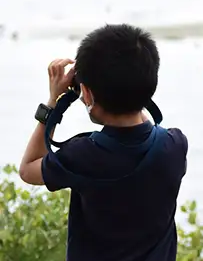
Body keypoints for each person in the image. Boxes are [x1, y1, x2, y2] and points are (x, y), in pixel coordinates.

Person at [19, 23, 188, 261]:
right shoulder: (175, 146)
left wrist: (53, 100)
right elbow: (144, 127)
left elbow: (28, 169)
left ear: (86, 93)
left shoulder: (82, 156)